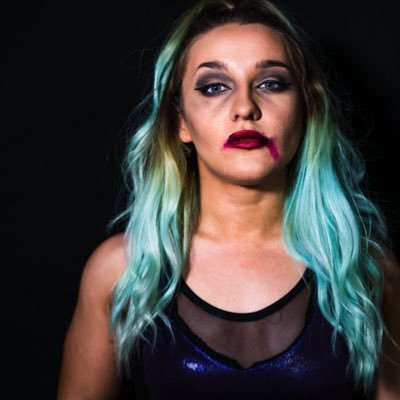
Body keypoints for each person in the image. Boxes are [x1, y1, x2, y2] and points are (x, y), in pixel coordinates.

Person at [57, 0, 400, 398]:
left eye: (272, 83)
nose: (245, 108)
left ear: (306, 109)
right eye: (214, 87)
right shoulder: (121, 270)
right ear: (180, 120)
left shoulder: (366, 270)